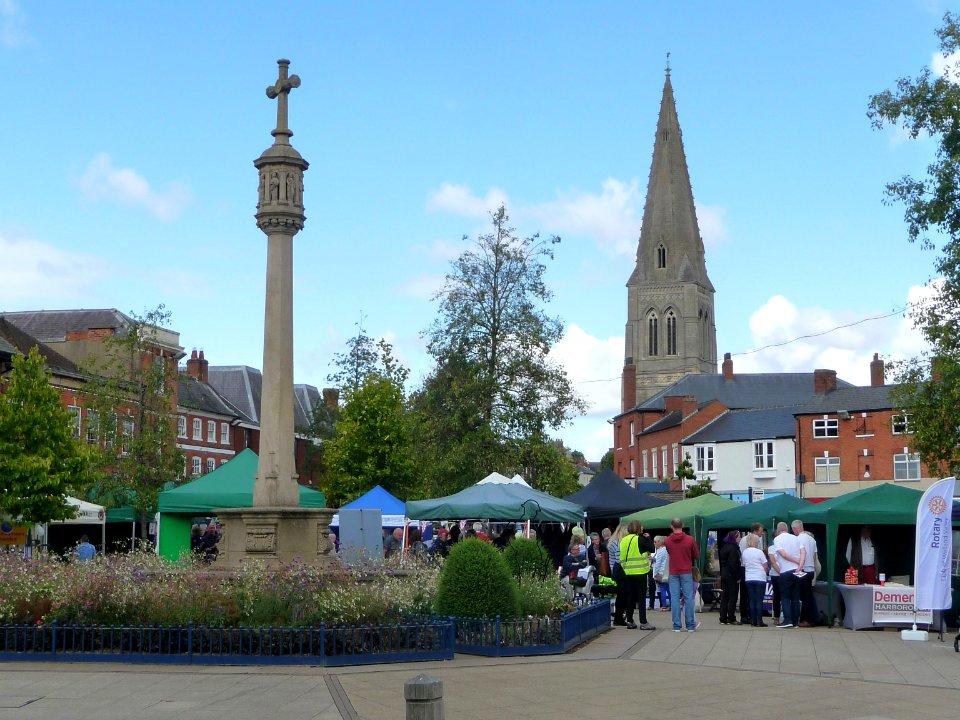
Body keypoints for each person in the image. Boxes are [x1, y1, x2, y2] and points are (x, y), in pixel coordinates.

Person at [619, 520, 656, 630]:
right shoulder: (640, 539)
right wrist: (648, 538)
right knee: (641, 598)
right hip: (640, 572)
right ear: (638, 528)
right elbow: (652, 548)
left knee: (630, 597)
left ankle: (630, 620)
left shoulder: (623, 540)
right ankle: (643, 622)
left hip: (627, 572)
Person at [665, 517, 700, 632]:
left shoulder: (668, 541)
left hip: (674, 571)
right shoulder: (690, 540)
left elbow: (669, 552)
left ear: (672, 526)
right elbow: (696, 555)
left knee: (674, 598)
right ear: (683, 525)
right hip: (686, 570)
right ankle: (690, 625)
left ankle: (676, 626)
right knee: (689, 598)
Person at [771, 521, 805, 628]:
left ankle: (787, 620)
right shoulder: (796, 538)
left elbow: (783, 554)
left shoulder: (777, 539)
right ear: (787, 529)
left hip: (785, 571)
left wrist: (795, 560)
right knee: (795, 597)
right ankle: (795, 622)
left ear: (778, 530)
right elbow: (804, 552)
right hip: (797, 571)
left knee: (785, 597)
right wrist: (799, 564)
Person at [793, 520, 819, 626]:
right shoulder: (812, 540)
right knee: (808, 595)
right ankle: (812, 618)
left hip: (802, 570)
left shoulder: (798, 539)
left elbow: (798, 555)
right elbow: (814, 556)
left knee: (801, 596)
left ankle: (804, 619)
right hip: (811, 570)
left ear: (795, 528)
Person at [743, 534, 769, 627]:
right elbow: (765, 565)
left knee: (752, 600)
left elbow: (745, 564)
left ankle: (753, 620)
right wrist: (765, 571)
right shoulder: (759, 552)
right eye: (757, 541)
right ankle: (759, 621)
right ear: (755, 542)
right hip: (760, 578)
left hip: (749, 578)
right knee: (759, 600)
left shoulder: (745, 552)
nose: (758, 543)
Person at [718, 530, 741, 625]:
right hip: (732, 575)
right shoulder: (733, 549)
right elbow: (734, 564)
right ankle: (731, 617)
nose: (740, 539)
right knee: (733, 597)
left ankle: (723, 617)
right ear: (735, 537)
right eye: (739, 537)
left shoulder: (724, 548)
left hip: (724, 574)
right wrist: (738, 576)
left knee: (724, 596)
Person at [608, 524, 630, 626]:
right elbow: (619, 559)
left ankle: (619, 616)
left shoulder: (613, 542)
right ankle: (619, 617)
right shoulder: (617, 543)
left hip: (616, 570)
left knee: (622, 595)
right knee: (622, 595)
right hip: (620, 570)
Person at [767, 526, 784, 624]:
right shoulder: (772, 548)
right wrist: (781, 572)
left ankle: (784, 616)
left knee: (783, 596)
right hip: (776, 574)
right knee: (777, 596)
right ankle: (777, 617)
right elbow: (773, 562)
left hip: (781, 573)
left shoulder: (783, 547)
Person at [652, 535, 670, 610]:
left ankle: (663, 605)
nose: (654, 543)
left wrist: (655, 574)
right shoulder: (668, 550)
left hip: (661, 573)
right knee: (669, 590)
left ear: (660, 542)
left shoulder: (660, 551)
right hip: (668, 573)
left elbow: (658, 563)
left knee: (662, 589)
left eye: (655, 542)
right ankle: (672, 605)